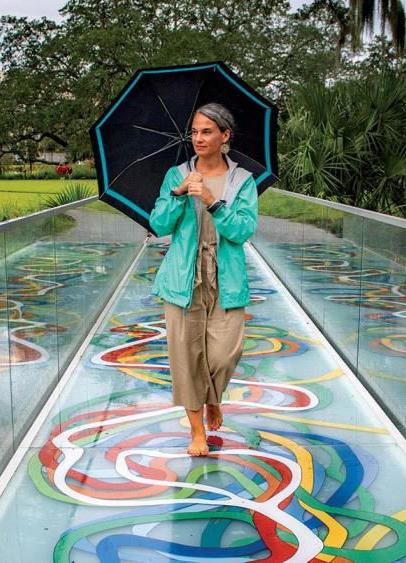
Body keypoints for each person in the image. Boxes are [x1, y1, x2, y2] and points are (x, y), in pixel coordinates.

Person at [148, 103, 259, 456]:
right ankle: (197, 431)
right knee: (186, 356)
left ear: (225, 136)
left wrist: (213, 201)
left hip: (226, 279)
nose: (198, 138)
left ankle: (213, 397)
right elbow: (159, 225)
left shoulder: (242, 181)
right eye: (194, 131)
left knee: (225, 355)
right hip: (183, 279)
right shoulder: (176, 175)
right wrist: (179, 194)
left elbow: (243, 230)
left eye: (207, 131)